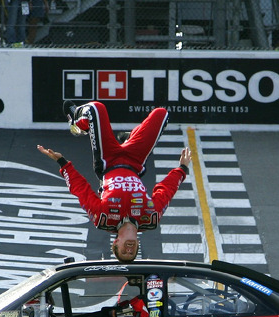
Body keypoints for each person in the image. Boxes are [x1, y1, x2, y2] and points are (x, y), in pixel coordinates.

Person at [37, 101, 192, 263]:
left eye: (124, 252)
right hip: (135, 161)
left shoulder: (103, 218)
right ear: (139, 244)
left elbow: (81, 190)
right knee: (162, 114)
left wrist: (63, 163)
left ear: (115, 242)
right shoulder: (150, 218)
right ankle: (130, 138)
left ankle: (77, 123)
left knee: (96, 109)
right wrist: (182, 169)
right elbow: (165, 192)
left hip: (108, 160)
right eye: (132, 253)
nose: (129, 250)